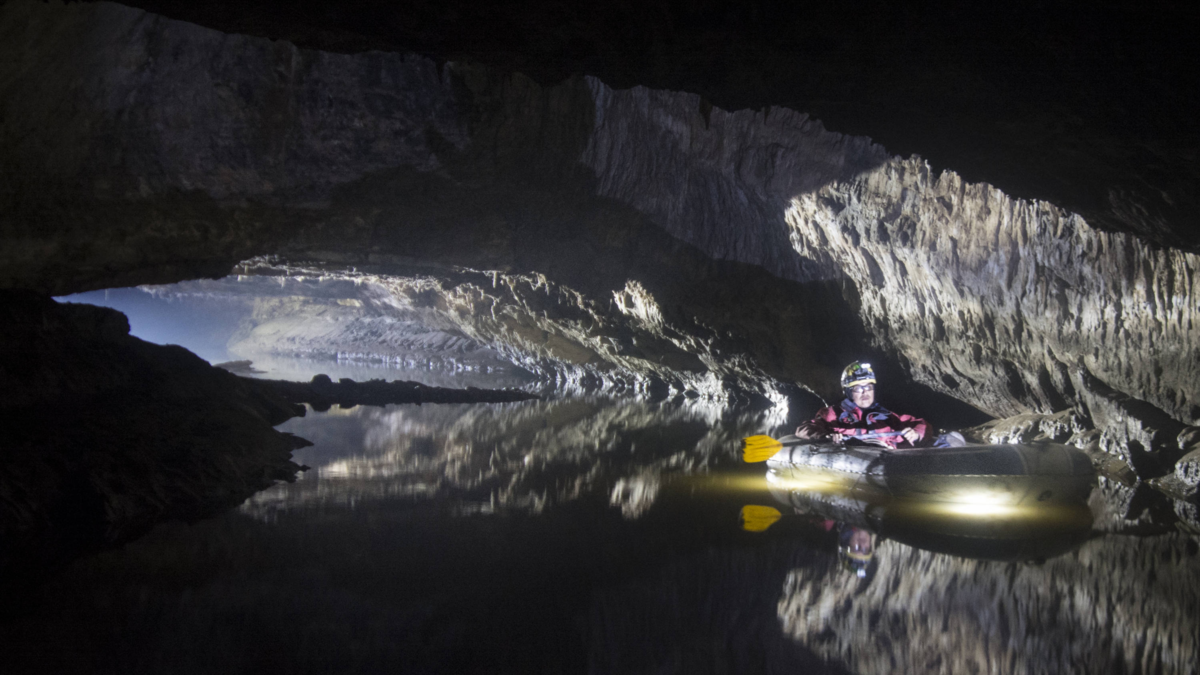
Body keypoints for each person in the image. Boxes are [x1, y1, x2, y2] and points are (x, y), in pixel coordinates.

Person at [796, 361, 956, 450]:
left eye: (869, 387)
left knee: (955, 440)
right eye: (859, 388)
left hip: (890, 459)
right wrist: (826, 436)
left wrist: (916, 433)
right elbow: (805, 428)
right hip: (857, 459)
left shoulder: (886, 415)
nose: (865, 392)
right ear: (849, 392)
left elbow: (921, 423)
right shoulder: (833, 413)